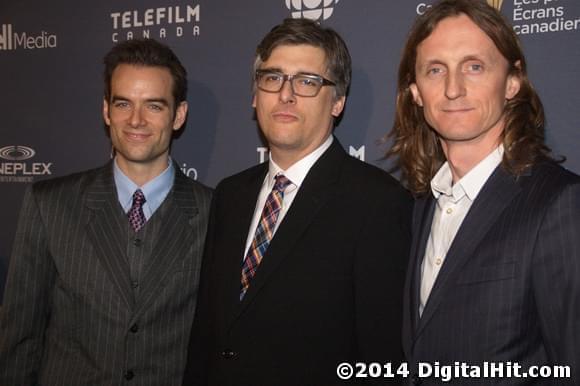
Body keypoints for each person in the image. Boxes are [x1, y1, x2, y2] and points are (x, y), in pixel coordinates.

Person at [183, 18, 412, 386]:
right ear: (255, 95)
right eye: (273, 78)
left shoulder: (377, 202)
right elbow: (207, 332)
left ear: (337, 102)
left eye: (307, 81)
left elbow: (382, 358)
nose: (285, 95)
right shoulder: (230, 194)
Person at [387, 0, 580, 384]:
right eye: (435, 70)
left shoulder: (559, 203)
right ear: (415, 91)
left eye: (474, 67)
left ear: (512, 81)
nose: (453, 89)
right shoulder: (424, 204)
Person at [0, 38, 211, 385]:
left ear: (179, 115)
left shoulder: (215, 211)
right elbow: (21, 339)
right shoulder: (49, 204)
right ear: (106, 111)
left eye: (154, 106)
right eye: (123, 103)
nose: (136, 120)